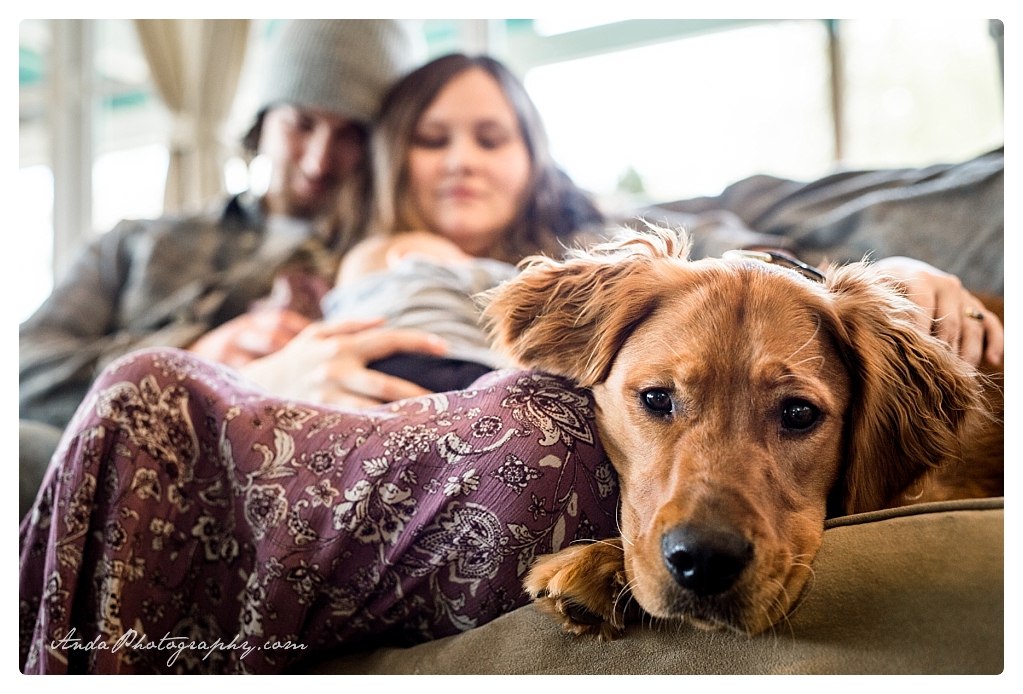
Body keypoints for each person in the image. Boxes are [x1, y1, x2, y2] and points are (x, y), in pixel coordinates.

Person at [18, 20, 429, 517]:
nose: (319, 160)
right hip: (71, 454)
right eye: (301, 123)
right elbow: (23, 369)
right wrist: (192, 354)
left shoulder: (380, 266)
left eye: (351, 134)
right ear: (263, 120)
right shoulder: (133, 241)